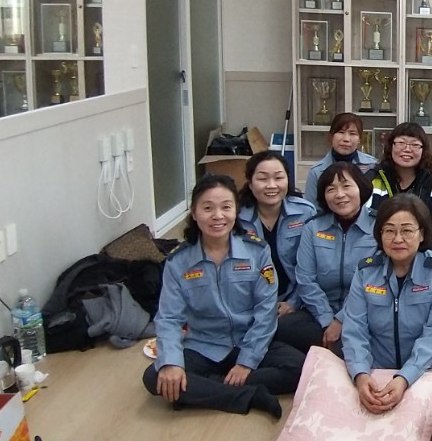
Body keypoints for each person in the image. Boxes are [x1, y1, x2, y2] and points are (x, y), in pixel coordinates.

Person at [142, 174, 305, 417]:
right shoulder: (178, 261)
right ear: (194, 213)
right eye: (208, 208)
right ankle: (249, 395)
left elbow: (265, 311)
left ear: (236, 211)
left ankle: (206, 387)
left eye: (226, 207)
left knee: (301, 368)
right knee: (155, 376)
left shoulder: (257, 251)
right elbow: (169, 318)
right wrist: (172, 363)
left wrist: (246, 362)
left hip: (249, 340)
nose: (218, 216)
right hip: (203, 345)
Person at [341, 194, 432, 414]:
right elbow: (354, 329)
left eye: (407, 230)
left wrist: (405, 377)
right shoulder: (366, 271)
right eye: (389, 230)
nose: (397, 239)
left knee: (428, 417)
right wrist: (361, 374)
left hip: (430, 365)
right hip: (376, 366)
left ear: (422, 234)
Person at [283, 162, 379, 352]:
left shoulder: (379, 226)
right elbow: (305, 279)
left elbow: (373, 283)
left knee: (351, 343)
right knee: (281, 329)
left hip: (365, 314)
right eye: (331, 189)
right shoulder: (313, 227)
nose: (340, 194)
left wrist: (341, 320)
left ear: (361, 188)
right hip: (319, 313)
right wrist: (328, 320)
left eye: (346, 186)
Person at [237, 151, 317, 328]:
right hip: (248, 304)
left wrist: (293, 303)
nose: (271, 185)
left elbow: (312, 267)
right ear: (250, 183)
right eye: (263, 179)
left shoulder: (305, 212)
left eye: (279, 177)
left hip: (294, 300)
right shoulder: (236, 217)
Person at [365, 122, 432, 254]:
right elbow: (364, 221)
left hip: (425, 256)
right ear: (391, 146)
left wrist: (426, 252)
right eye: (401, 143)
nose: (407, 149)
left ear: (424, 150)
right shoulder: (373, 180)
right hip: (380, 255)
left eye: (415, 144)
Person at [304, 112, 378, 205]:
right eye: (341, 132)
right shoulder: (317, 171)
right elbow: (312, 208)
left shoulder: (373, 166)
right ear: (331, 136)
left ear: (360, 139)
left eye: (352, 133)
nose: (346, 139)